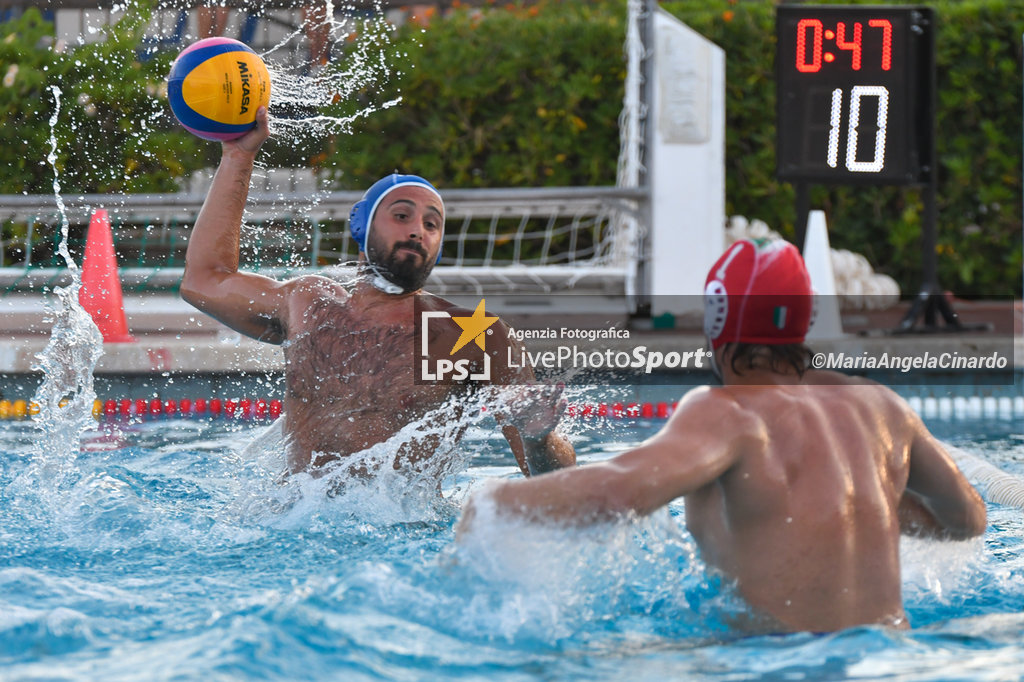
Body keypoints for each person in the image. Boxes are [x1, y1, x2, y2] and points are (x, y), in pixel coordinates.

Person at [457, 238, 986, 633]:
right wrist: (865, 505)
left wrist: (494, 502)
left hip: (777, 662)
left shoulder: (727, 411)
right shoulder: (882, 406)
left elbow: (619, 491)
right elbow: (967, 519)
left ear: (717, 323)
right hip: (885, 657)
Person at [180, 107, 575, 477]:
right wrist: (237, 157)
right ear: (360, 225)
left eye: (432, 224)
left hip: (405, 535)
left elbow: (555, 483)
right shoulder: (308, 304)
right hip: (295, 524)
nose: (418, 230)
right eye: (402, 216)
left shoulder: (473, 336)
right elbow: (202, 281)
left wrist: (538, 438)